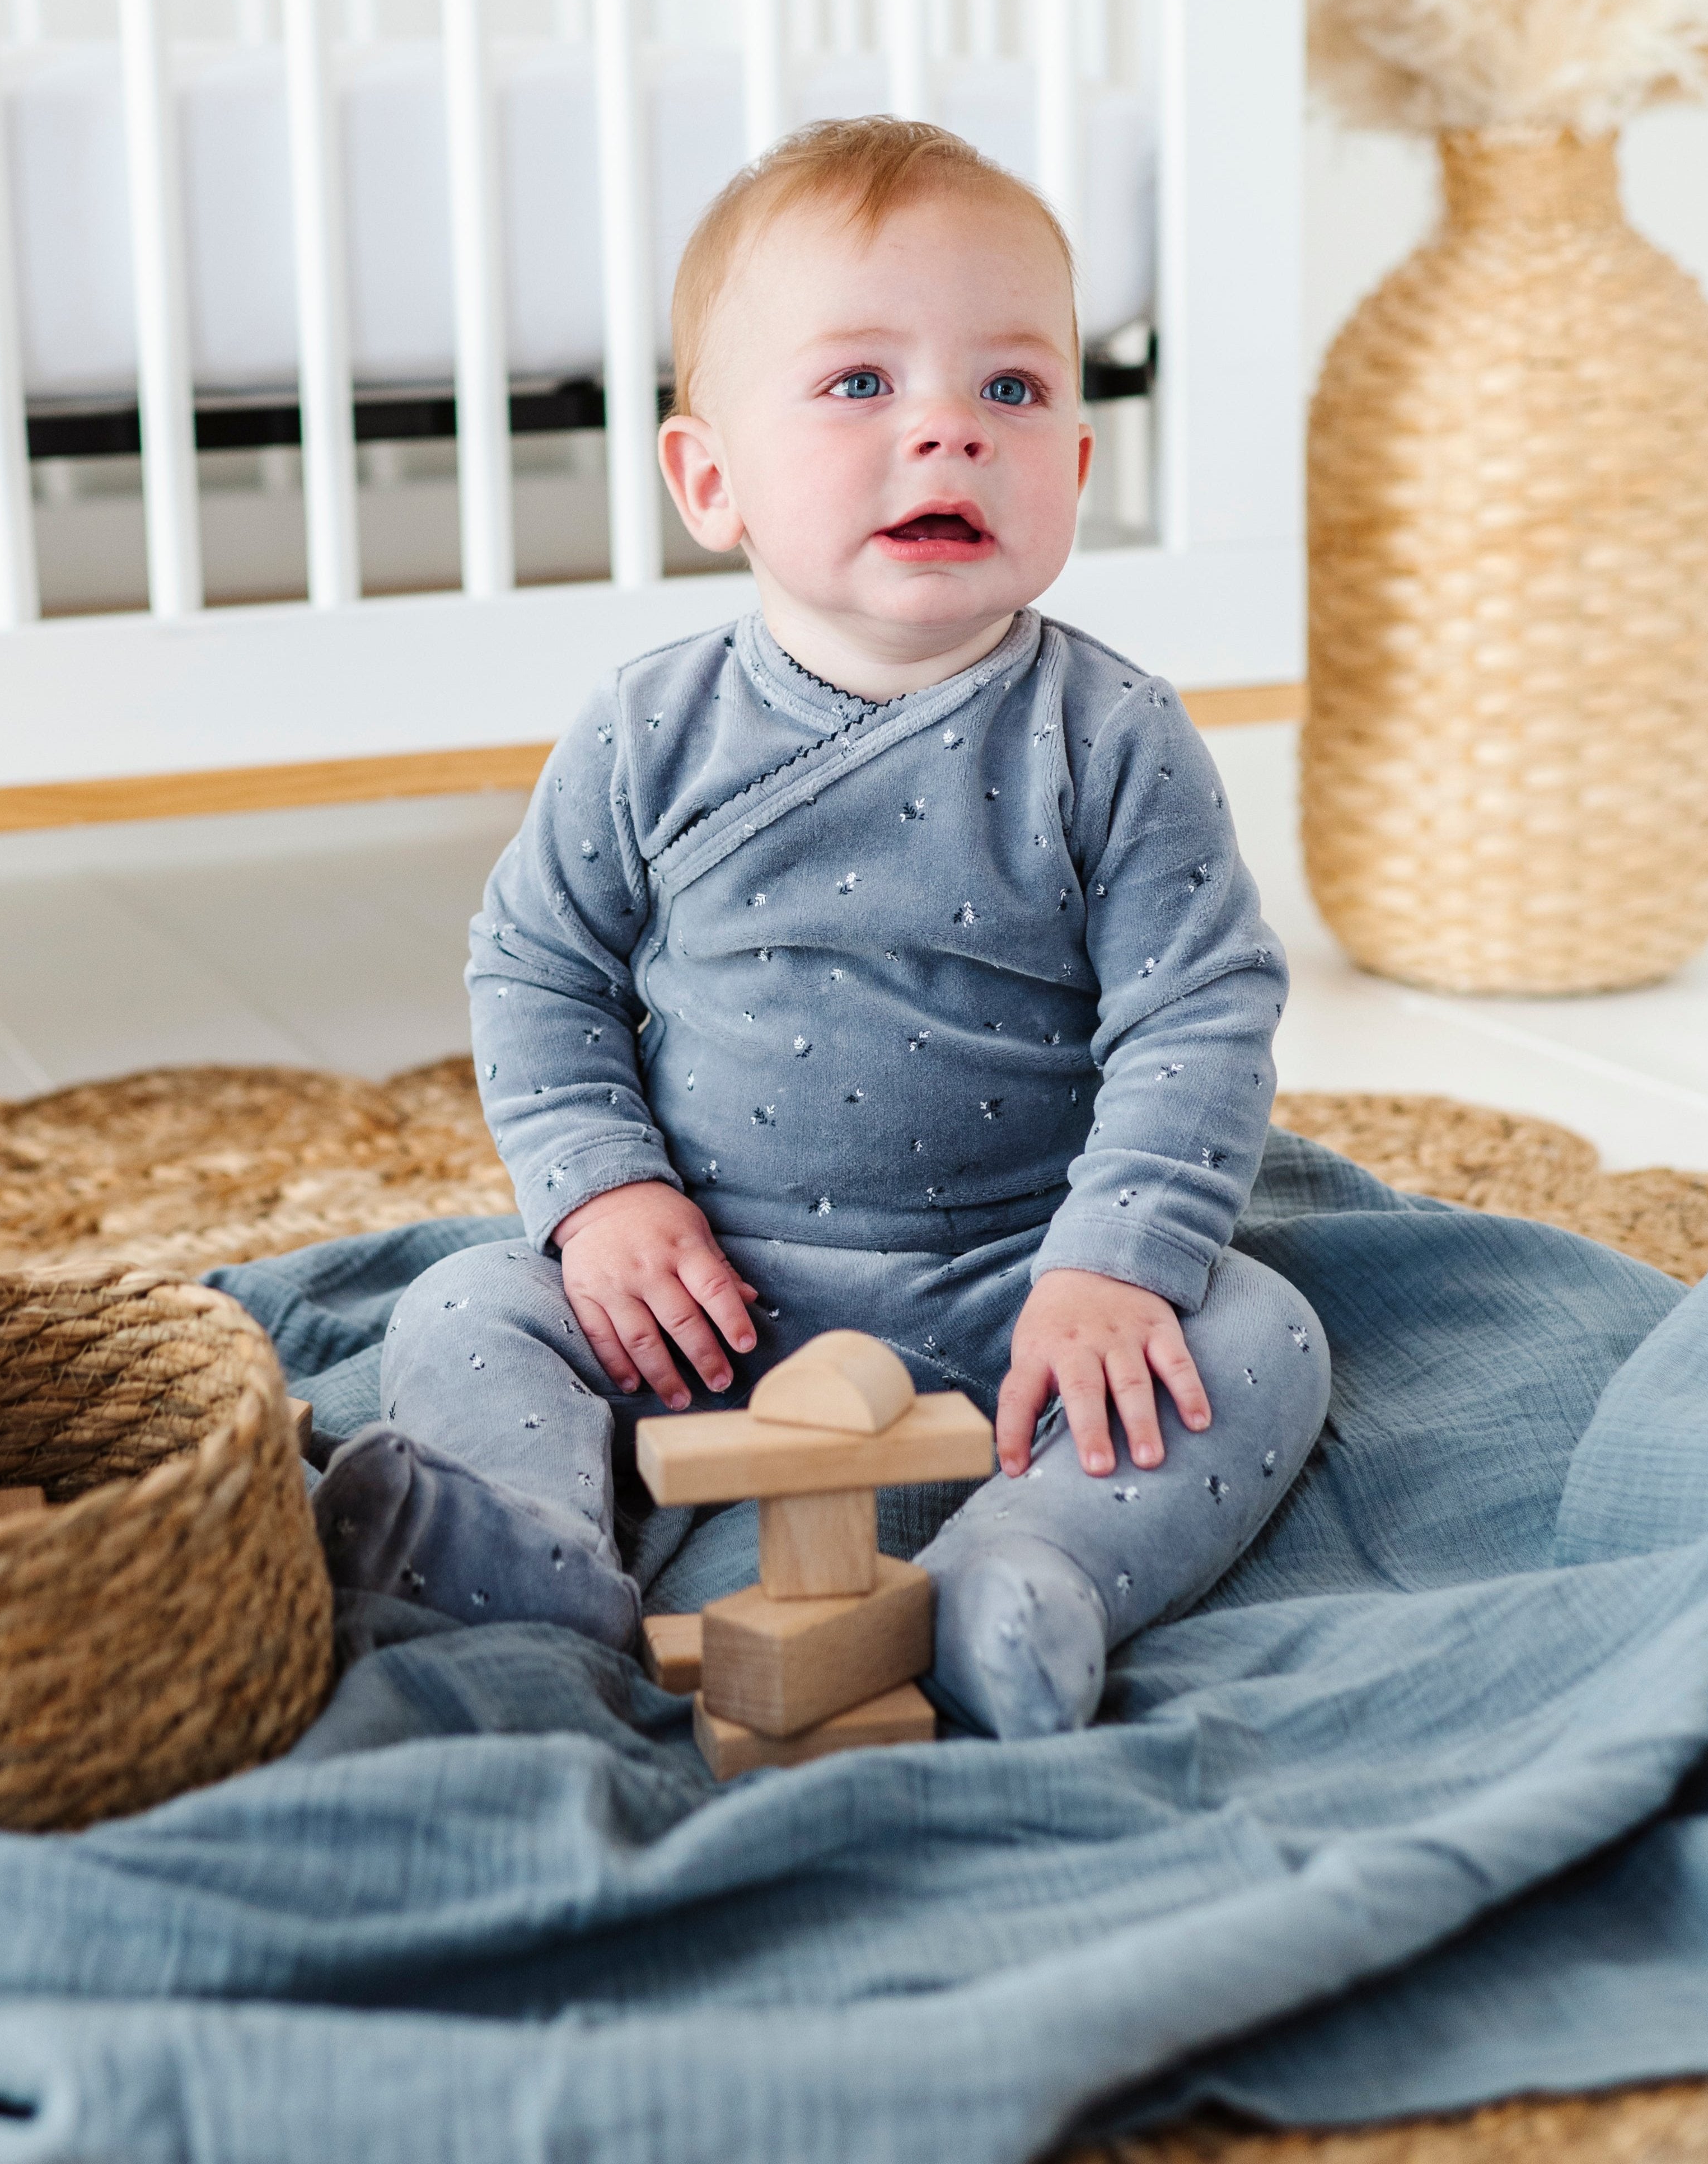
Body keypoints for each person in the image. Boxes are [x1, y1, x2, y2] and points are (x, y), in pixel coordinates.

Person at [318, 116, 1331, 1737]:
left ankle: (1037, 1566)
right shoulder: (652, 730)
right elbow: (538, 967)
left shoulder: (1116, 737)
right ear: (709, 478)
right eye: (861, 385)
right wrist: (606, 1201)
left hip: (1023, 1276)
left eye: (1011, 390)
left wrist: (1112, 1265)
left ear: (1076, 468)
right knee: (460, 1308)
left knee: (1260, 1333)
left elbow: (1196, 1017)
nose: (947, 432)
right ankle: (539, 1542)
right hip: (707, 1287)